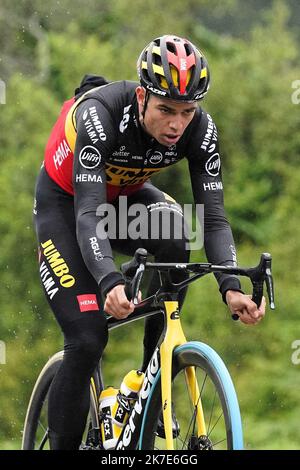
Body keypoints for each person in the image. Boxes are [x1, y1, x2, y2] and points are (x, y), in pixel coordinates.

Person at [33, 34, 265, 450]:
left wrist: (231, 285)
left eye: (187, 111)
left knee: (179, 234)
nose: (177, 124)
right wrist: (105, 279)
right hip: (67, 208)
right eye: (166, 110)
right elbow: (88, 215)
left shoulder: (200, 130)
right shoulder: (99, 116)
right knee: (86, 338)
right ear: (141, 97)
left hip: (123, 199)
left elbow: (213, 218)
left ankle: (150, 389)